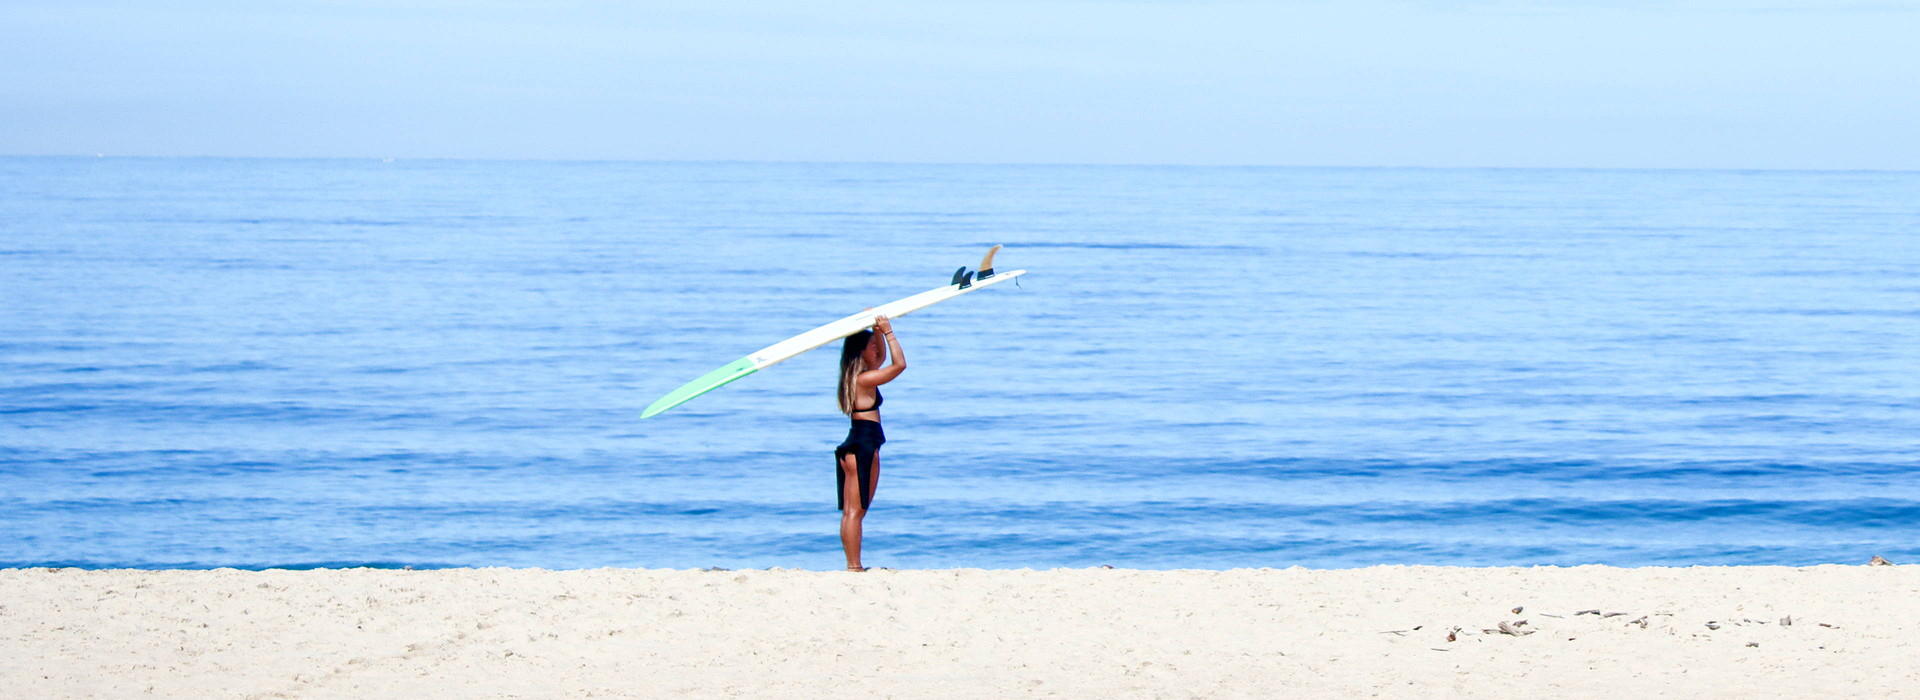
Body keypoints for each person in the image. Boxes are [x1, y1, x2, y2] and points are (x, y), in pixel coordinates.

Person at [834, 315, 904, 572]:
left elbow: (882, 359)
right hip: (863, 446)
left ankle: (853, 565)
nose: (876, 350)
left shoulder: (853, 377)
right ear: (860, 352)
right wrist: (889, 333)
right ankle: (854, 567)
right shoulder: (864, 380)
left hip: (854, 444)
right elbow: (899, 365)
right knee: (856, 512)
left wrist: (876, 329)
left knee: (852, 511)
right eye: (871, 346)